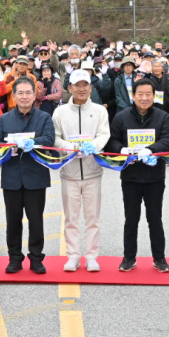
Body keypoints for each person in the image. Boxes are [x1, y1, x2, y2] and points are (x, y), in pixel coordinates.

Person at [108, 78, 169, 273]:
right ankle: (129, 258)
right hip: (130, 177)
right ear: (133, 96)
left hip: (155, 176)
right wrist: (121, 149)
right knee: (131, 219)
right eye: (140, 94)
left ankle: (159, 258)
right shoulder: (121, 117)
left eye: (148, 94)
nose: (144, 98)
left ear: (154, 96)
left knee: (155, 218)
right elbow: (112, 139)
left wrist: (151, 149)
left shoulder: (162, 117)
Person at [0, 76, 56, 274]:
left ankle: (36, 258)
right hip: (11, 177)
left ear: (35, 94)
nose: (25, 96)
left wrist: (32, 142)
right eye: (20, 93)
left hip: (36, 176)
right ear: (14, 95)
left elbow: (49, 139)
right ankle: (14, 258)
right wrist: (7, 146)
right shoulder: (5, 119)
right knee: (12, 220)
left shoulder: (44, 117)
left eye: (29, 92)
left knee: (36, 220)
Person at [54, 69, 111, 272]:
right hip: (69, 172)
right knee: (71, 217)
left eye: (85, 85)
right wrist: (69, 147)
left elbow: (104, 134)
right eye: (77, 85)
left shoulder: (100, 111)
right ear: (69, 88)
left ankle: (92, 256)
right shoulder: (60, 112)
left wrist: (93, 146)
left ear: (90, 87)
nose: (81, 89)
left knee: (92, 217)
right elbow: (56, 137)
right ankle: (73, 256)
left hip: (92, 171)